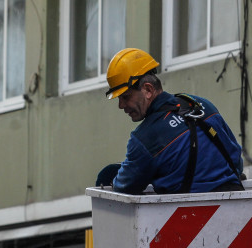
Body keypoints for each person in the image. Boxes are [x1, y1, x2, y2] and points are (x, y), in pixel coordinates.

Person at [97, 48, 244, 194]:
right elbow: (235, 158)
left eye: (126, 97)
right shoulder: (201, 104)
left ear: (148, 90)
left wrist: (114, 179)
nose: (121, 105)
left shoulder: (144, 138)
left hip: (188, 215)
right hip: (237, 203)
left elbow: (125, 186)